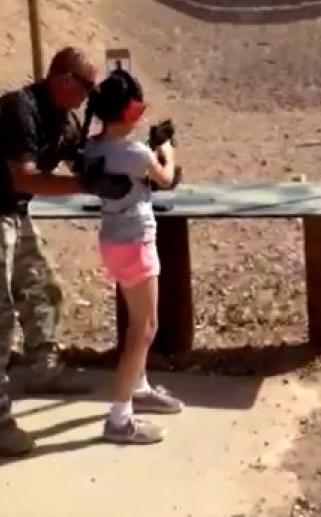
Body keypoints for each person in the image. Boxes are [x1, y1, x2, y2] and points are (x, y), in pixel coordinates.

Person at [0, 47, 132, 457]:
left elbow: (80, 159)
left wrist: (131, 152)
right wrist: (88, 187)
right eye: (85, 86)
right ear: (63, 79)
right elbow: (24, 177)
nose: (88, 95)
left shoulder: (62, 120)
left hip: (10, 212)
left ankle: (43, 367)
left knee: (42, 287)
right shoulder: (19, 110)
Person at [84, 70, 184, 445]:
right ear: (128, 111)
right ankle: (119, 417)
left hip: (113, 242)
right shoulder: (138, 153)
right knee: (144, 329)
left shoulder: (94, 148)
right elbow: (165, 178)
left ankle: (138, 387)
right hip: (136, 243)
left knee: (138, 325)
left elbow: (118, 153)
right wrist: (168, 148)